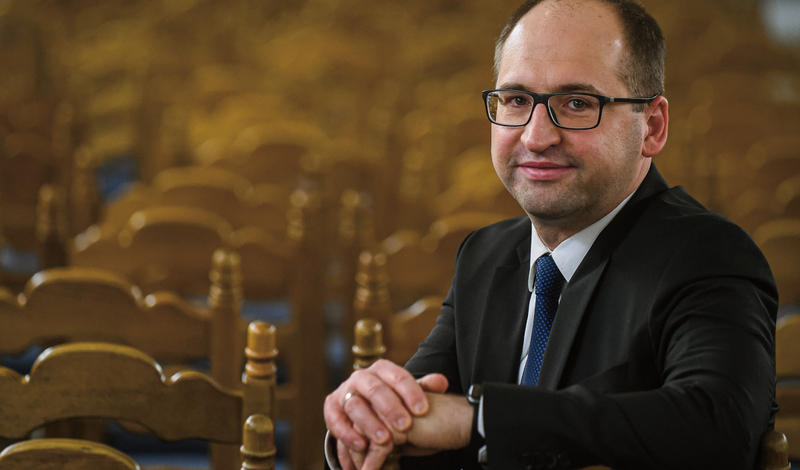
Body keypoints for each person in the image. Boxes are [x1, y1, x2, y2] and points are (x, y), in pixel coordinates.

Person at [323, 0, 779, 468]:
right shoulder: (484, 254)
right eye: (517, 101)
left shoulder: (709, 256)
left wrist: (481, 421)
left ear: (652, 127)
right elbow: (415, 421)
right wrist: (363, 421)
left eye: (577, 103)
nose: (536, 137)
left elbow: (719, 427)